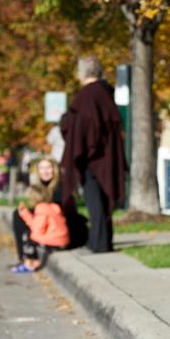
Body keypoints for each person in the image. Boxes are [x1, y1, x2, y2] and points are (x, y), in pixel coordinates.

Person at [60, 56, 126, 252]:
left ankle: (98, 243)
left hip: (92, 158)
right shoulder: (106, 93)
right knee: (104, 201)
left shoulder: (87, 96)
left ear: (82, 73)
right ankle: (103, 241)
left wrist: (66, 122)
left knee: (95, 201)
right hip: (107, 156)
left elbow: (83, 127)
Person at [11, 156, 87, 266]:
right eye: (41, 168)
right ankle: (23, 255)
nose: (45, 172)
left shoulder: (60, 187)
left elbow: (51, 213)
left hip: (67, 228)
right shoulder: (41, 187)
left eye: (48, 168)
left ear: (55, 169)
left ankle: (28, 256)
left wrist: (27, 215)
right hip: (52, 224)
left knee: (24, 217)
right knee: (19, 214)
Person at [11, 185, 70, 273]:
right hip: (63, 239)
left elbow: (37, 230)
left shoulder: (41, 210)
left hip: (54, 241)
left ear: (33, 199)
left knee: (28, 237)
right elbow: (36, 224)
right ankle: (31, 261)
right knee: (32, 236)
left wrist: (31, 237)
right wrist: (25, 213)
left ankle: (30, 263)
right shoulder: (52, 207)